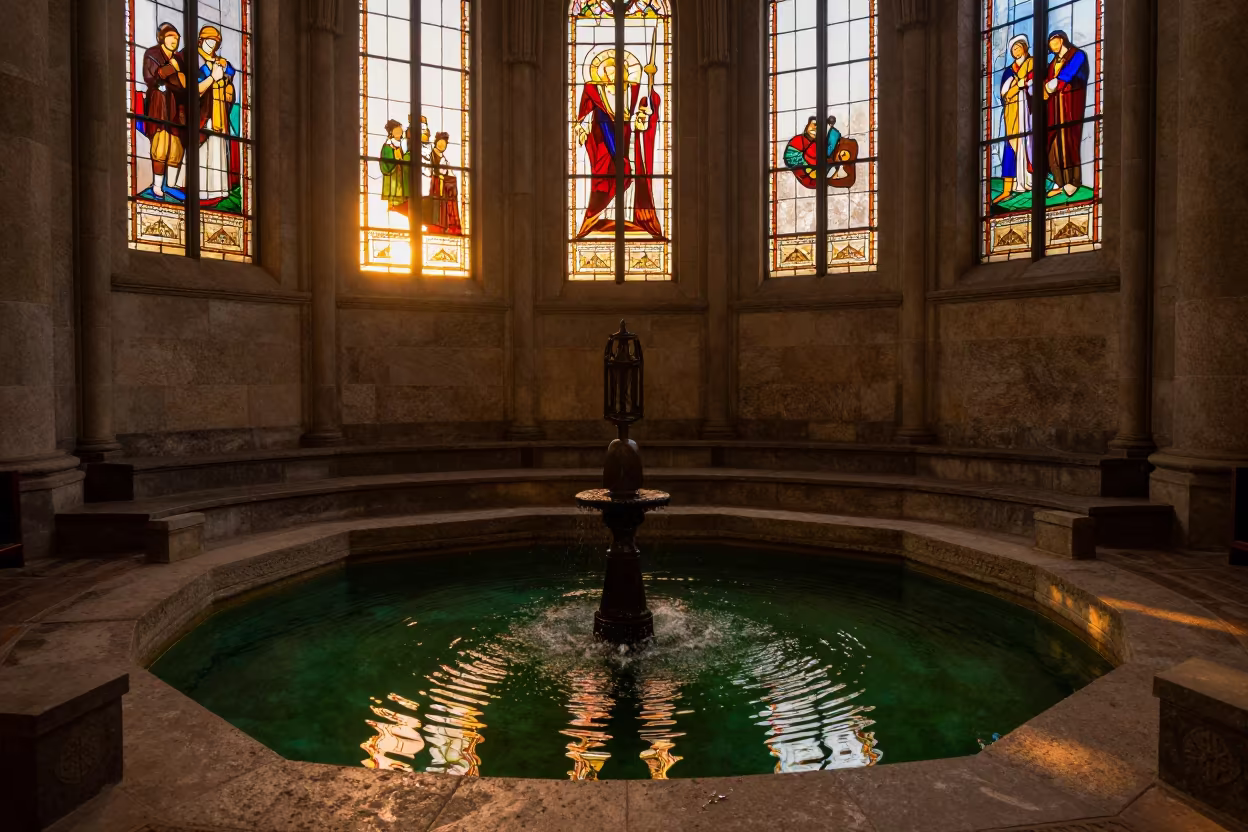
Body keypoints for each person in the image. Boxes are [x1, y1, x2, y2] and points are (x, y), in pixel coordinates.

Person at [572, 48, 663, 239]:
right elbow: (587, 115)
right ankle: (601, 219)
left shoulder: (636, 90)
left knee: (631, 173)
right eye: (610, 74)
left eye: (619, 73)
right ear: (604, 76)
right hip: (605, 142)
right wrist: (584, 128)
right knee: (606, 178)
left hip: (629, 138)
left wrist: (644, 115)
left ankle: (629, 219)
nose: (614, 77)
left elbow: (648, 105)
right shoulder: (595, 92)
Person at [140, 22, 187, 199]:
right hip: (159, 105)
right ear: (162, 38)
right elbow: (151, 77)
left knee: (176, 147)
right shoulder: (152, 54)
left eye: (176, 37)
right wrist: (170, 69)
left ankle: (172, 185)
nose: (174, 40)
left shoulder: (180, 59)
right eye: (170, 36)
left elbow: (184, 82)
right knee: (160, 145)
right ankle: (157, 185)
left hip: (177, 107)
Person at [196, 25, 239, 204]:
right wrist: (212, 77)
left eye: (214, 42)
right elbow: (195, 89)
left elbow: (230, 75)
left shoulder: (221, 62)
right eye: (208, 41)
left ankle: (219, 190)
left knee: (218, 149)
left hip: (220, 112)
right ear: (201, 41)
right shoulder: (196, 62)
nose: (211, 45)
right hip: (205, 113)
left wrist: (227, 82)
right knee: (205, 151)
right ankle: (202, 191)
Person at [1044, 30, 1089, 198]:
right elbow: (1046, 82)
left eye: (1053, 42)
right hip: (1054, 108)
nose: (1052, 46)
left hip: (1070, 106)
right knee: (1053, 142)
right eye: (1050, 45)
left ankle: (1072, 181)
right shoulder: (1052, 63)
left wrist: (1055, 83)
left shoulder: (1077, 55)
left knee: (1068, 139)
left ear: (1061, 39)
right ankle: (1059, 181)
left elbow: (1068, 74)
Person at [994, 34, 1033, 203]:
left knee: (1031, 144)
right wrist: (1016, 87)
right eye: (1013, 49)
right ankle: (1007, 189)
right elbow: (1004, 95)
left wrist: (1022, 85)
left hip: (1030, 111)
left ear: (1025, 47)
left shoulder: (1033, 64)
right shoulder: (1009, 71)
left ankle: (1032, 181)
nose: (1016, 51)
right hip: (1013, 113)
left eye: (1018, 47)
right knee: (1010, 145)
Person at [425, 131, 462, 235]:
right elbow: (431, 170)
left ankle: (446, 225)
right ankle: (437, 225)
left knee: (444, 204)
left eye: (444, 144)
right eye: (440, 142)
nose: (442, 145)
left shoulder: (443, 157)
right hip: (437, 184)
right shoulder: (431, 155)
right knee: (437, 205)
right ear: (436, 142)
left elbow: (447, 171)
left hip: (443, 184)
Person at [379, 119, 409, 216]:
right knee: (395, 195)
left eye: (400, 131)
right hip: (393, 177)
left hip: (401, 177)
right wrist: (395, 160)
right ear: (391, 132)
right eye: (397, 131)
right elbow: (385, 165)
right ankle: (393, 206)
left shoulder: (402, 146)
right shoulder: (387, 146)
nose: (399, 133)